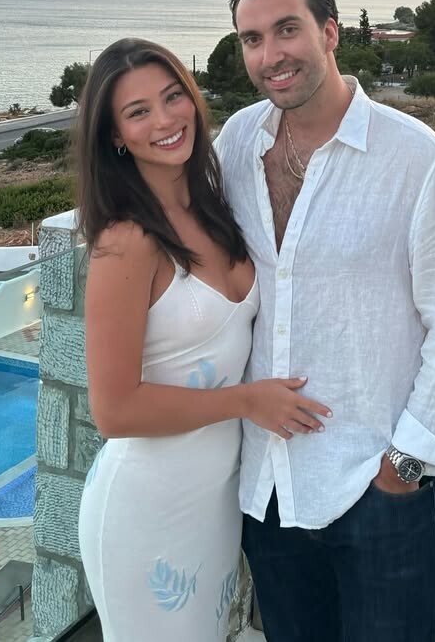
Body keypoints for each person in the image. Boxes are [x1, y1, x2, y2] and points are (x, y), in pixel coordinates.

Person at [216, 0, 435, 642]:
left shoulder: (420, 162)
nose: (271, 55)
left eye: (288, 29)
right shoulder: (237, 145)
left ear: (330, 32)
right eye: (252, 39)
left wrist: (402, 471)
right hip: (270, 493)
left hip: (380, 496)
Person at [75, 38, 330, 642]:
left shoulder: (215, 205)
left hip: (214, 503)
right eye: (138, 112)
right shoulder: (126, 242)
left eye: (173, 97)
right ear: (116, 136)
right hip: (147, 507)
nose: (165, 120)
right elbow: (113, 411)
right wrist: (247, 401)